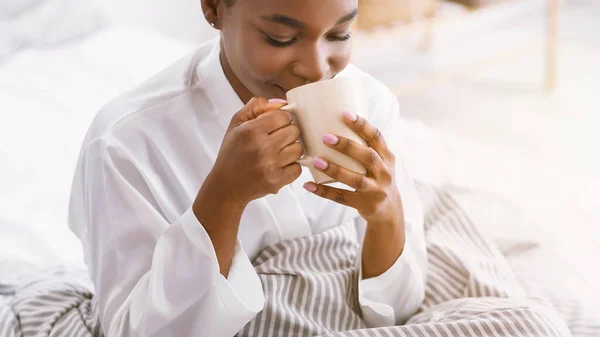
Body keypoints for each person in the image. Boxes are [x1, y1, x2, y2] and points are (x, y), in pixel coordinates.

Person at [68, 0, 427, 336]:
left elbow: (399, 310)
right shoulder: (125, 145)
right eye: (281, 38)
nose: (317, 68)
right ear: (213, 8)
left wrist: (386, 217)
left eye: (339, 35)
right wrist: (224, 197)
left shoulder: (372, 103)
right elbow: (139, 328)